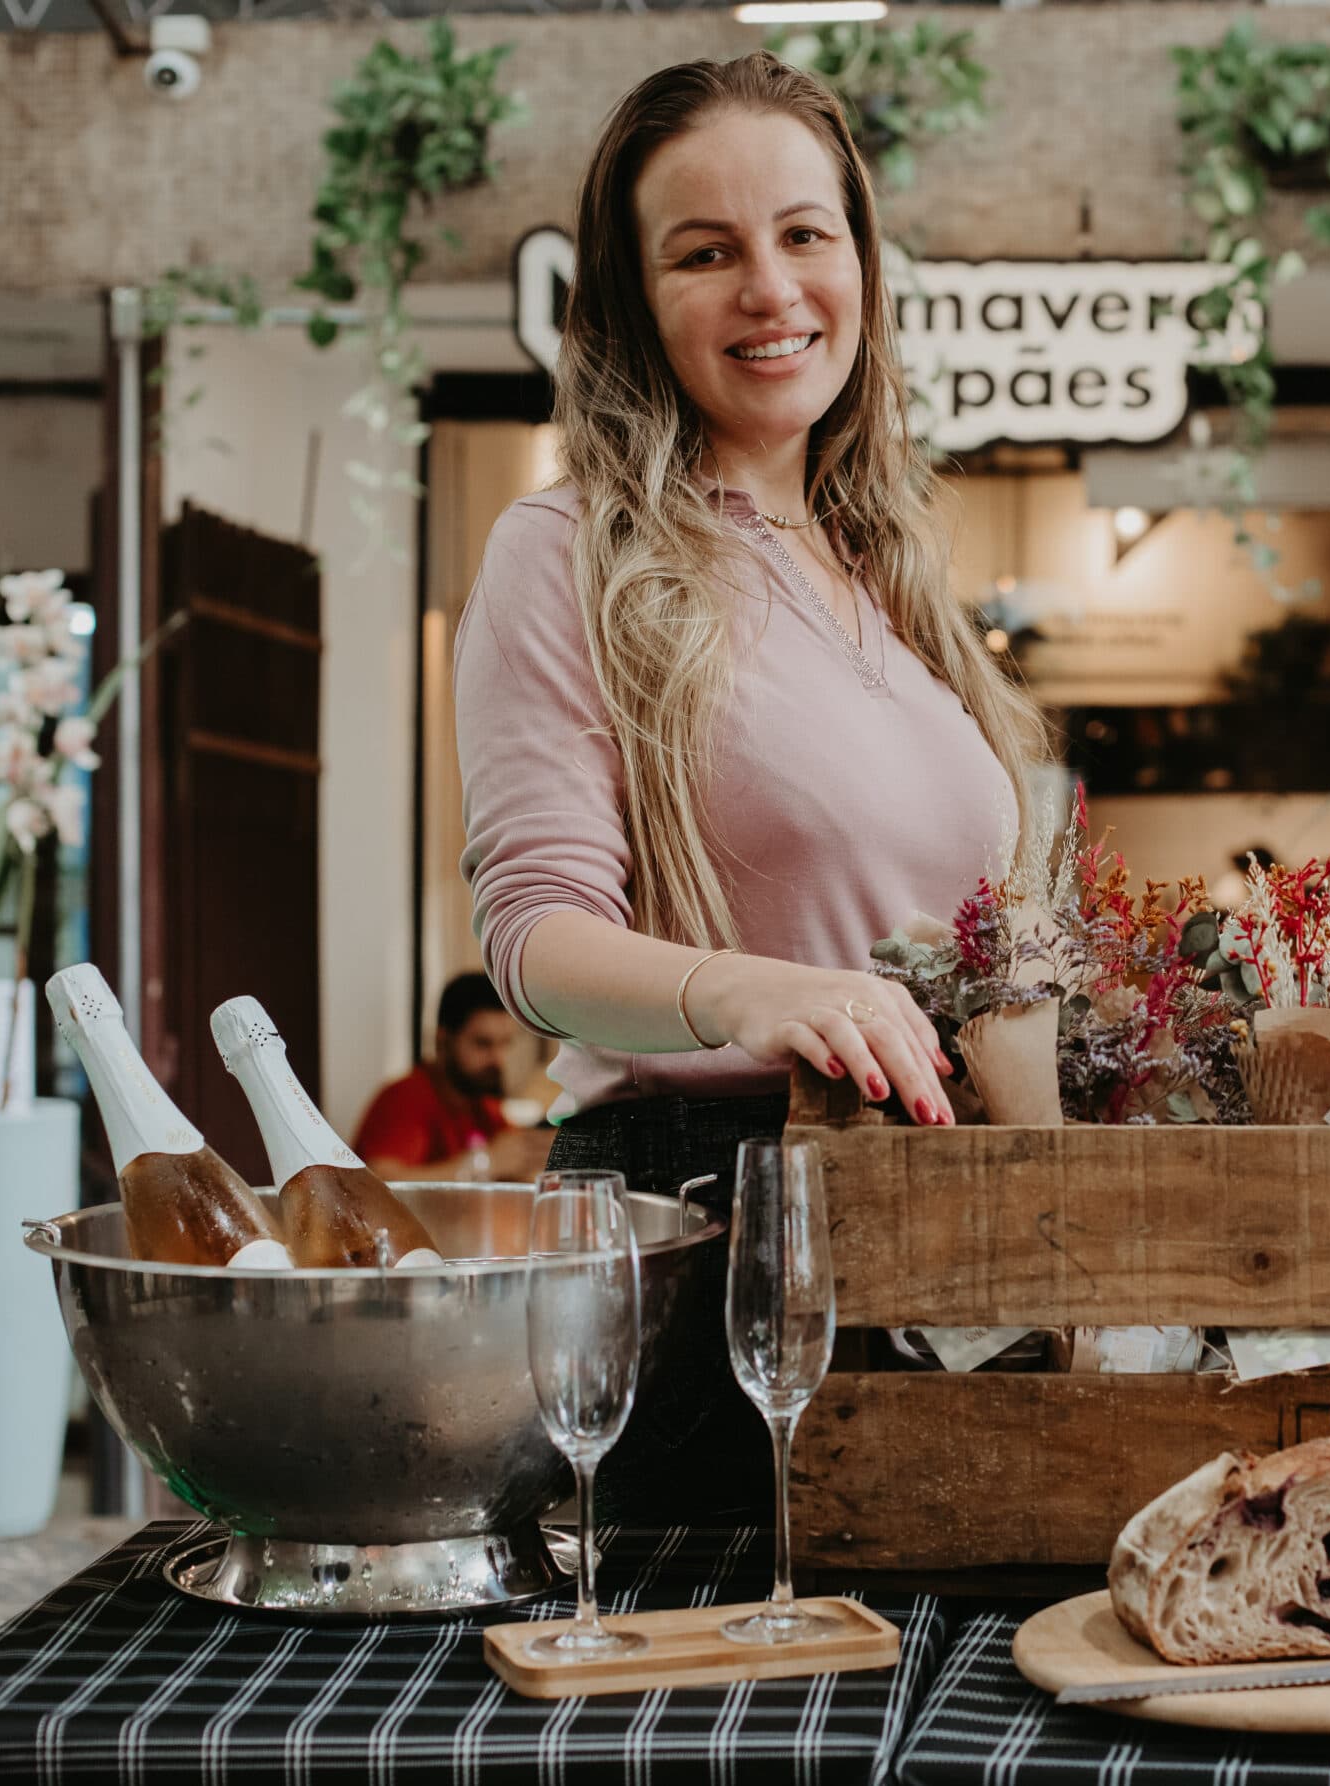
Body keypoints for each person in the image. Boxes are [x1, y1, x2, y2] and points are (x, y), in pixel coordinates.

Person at [452, 53, 1048, 1516]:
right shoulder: (567, 550)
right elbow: (533, 940)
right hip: (701, 1227)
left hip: (932, 1230)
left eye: (804, 233)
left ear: (860, 260)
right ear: (633, 300)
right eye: (704, 252)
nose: (770, 288)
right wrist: (756, 990)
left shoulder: (885, 569)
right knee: (728, 1718)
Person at [352, 971, 554, 1182]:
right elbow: (381, 1182)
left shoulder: (483, 1106)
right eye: (482, 1043)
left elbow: (515, 1164)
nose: (498, 1060)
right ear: (443, 1041)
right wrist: (484, 1162)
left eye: (505, 1044)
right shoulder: (407, 1098)